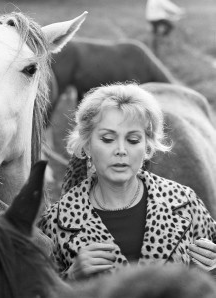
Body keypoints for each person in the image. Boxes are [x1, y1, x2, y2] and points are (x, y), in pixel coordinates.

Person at [39, 83, 216, 280]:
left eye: (133, 140)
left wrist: (212, 265)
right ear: (87, 146)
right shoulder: (56, 220)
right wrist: (70, 277)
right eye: (107, 139)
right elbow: (39, 288)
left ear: (147, 149)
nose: (121, 150)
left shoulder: (184, 202)